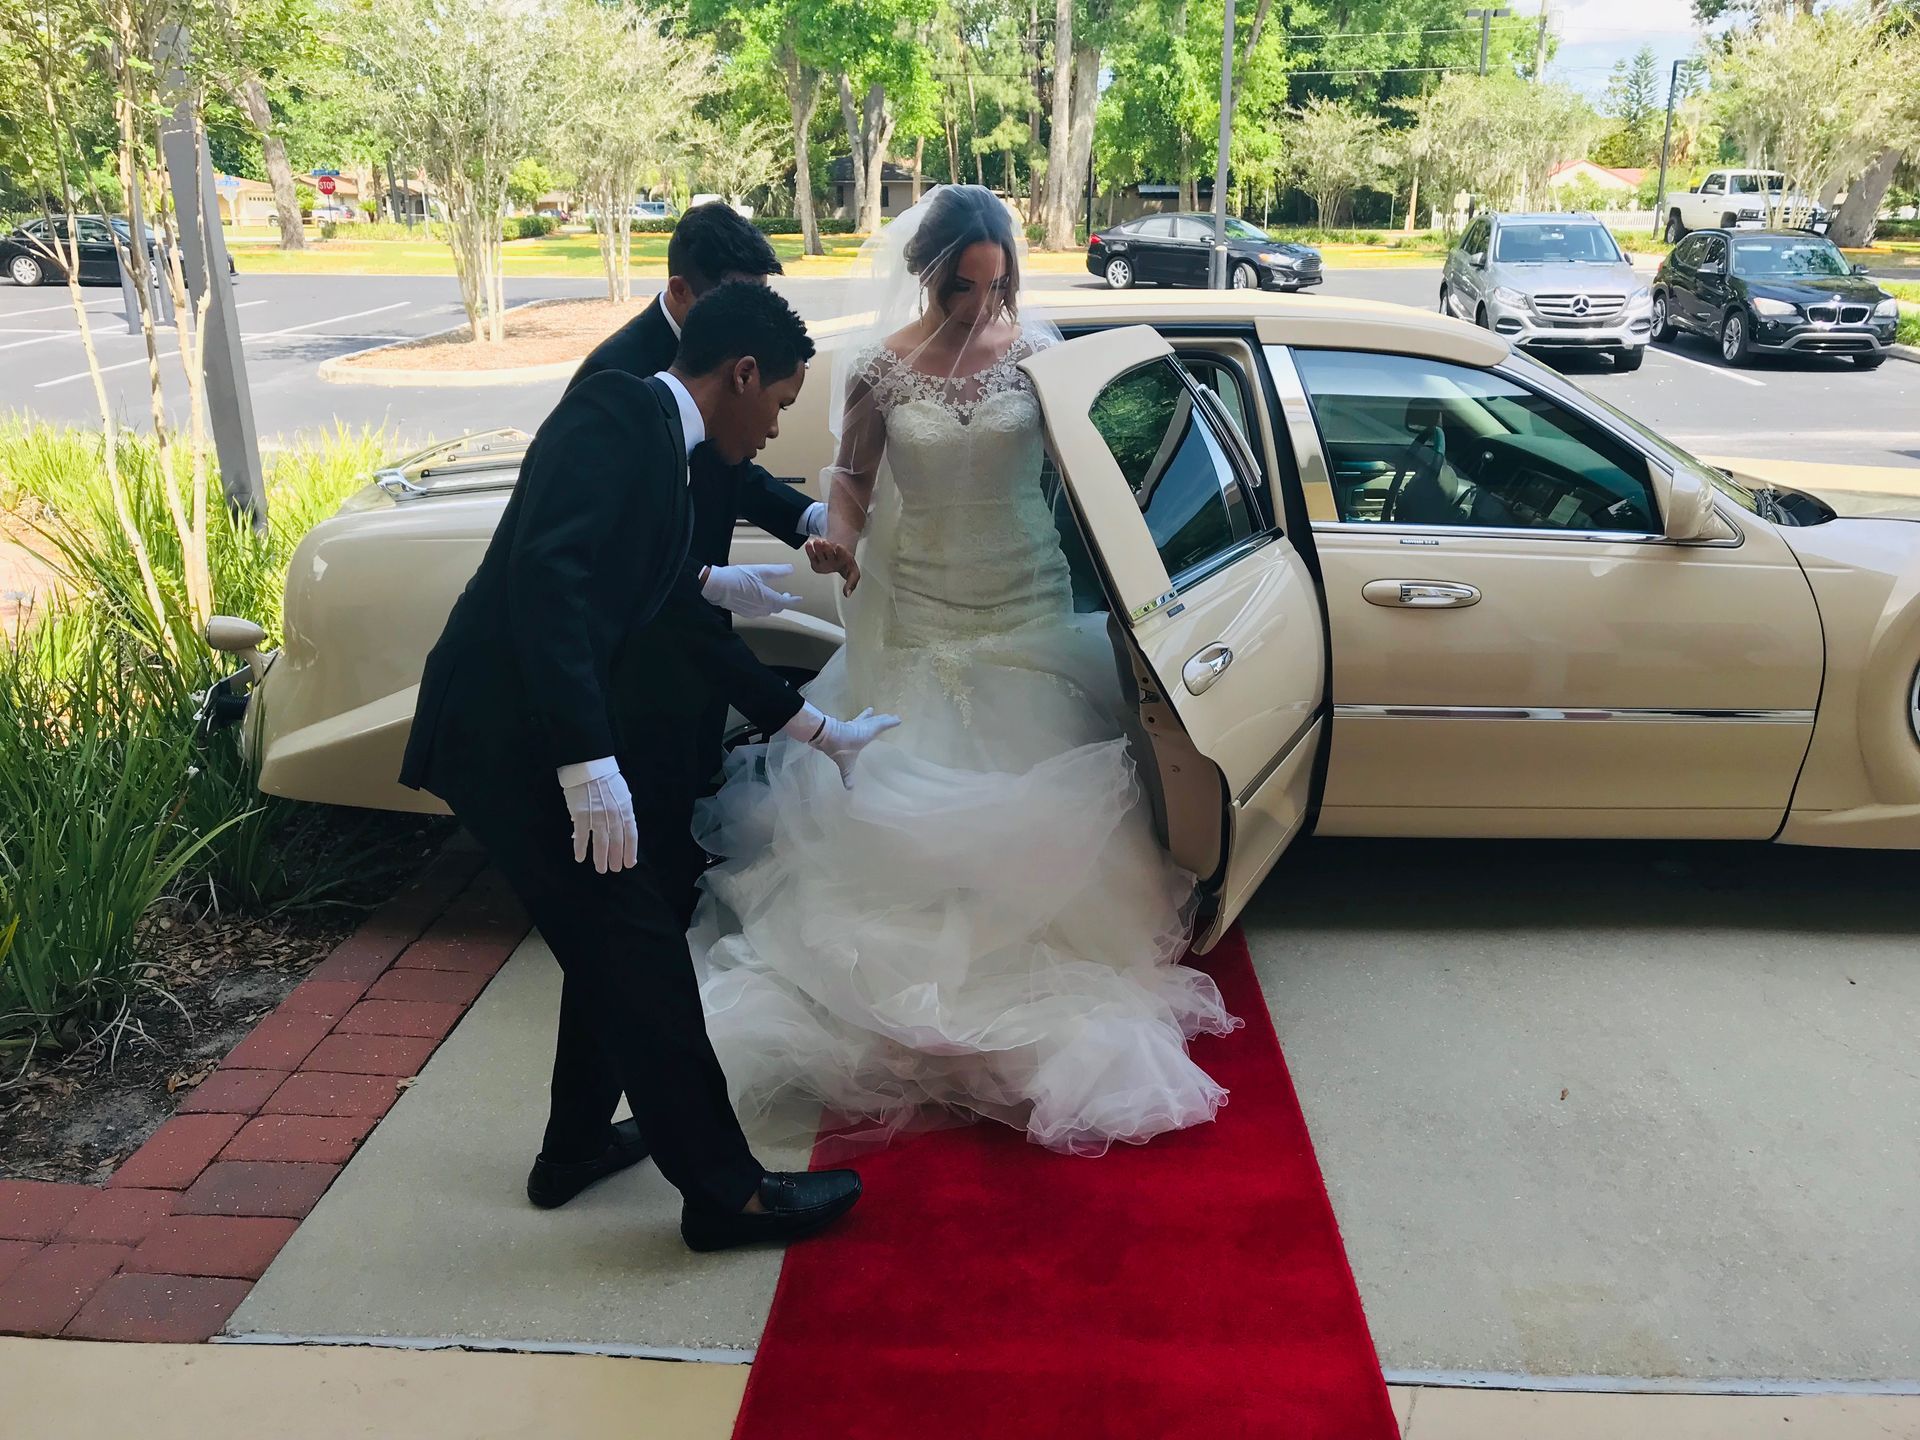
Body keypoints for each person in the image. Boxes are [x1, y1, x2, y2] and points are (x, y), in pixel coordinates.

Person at [690, 186, 1238, 1159]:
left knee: (1042, 768)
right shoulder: (879, 367)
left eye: (995, 285)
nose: (981, 305)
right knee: (914, 775)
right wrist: (837, 542)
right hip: (925, 604)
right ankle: (921, 967)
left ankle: (1039, 941)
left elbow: (1091, 470)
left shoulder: (1037, 354)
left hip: (1028, 592)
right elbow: (852, 481)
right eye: (962, 288)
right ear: (929, 273)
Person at [399, 282, 899, 1252]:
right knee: (639, 947)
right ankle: (724, 1195)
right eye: (780, 403)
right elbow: (549, 580)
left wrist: (813, 726)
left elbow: (665, 609)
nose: (774, 428)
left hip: (528, 732)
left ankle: (578, 1145)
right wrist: (588, 765)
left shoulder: (667, 448)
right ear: (742, 373)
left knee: (623, 937)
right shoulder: (616, 412)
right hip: (504, 738)